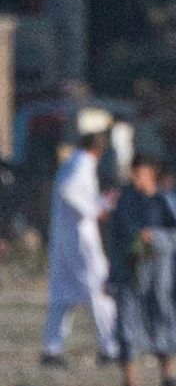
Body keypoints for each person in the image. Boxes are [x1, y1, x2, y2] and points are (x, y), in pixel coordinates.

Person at [106, 157, 176, 386]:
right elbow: (115, 239)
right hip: (129, 274)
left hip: (158, 276)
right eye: (133, 173)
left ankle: (168, 380)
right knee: (126, 327)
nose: (135, 178)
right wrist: (112, 274)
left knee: (162, 324)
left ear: (151, 174)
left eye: (140, 173)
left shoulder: (165, 200)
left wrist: (154, 238)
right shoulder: (125, 201)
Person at [41, 128, 116, 371]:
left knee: (63, 293)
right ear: (99, 150)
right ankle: (110, 348)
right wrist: (96, 210)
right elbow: (70, 192)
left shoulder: (70, 163)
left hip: (65, 238)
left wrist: (101, 201)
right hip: (81, 240)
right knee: (100, 286)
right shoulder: (83, 164)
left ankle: (51, 349)